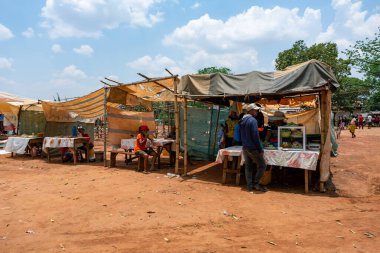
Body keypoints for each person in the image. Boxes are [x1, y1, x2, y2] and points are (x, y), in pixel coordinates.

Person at [239, 103, 267, 192]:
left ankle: (249, 186)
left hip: (245, 147)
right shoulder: (253, 120)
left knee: (248, 166)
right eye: (255, 110)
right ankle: (256, 183)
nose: (257, 112)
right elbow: (255, 136)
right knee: (262, 165)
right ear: (251, 111)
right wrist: (260, 149)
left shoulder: (242, 120)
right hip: (252, 147)